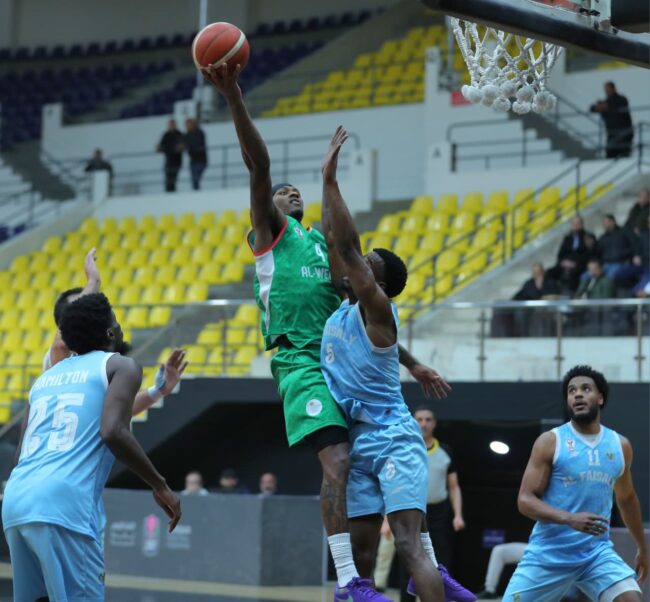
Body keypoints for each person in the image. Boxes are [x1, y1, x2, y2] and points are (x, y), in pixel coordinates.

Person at [201, 63, 450, 601]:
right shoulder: (271, 236)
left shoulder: (321, 246)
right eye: (281, 192)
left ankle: (424, 566)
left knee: (387, 464)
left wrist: (411, 363)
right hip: (300, 361)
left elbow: (364, 309)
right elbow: (259, 166)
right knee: (336, 463)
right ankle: (347, 579)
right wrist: (234, 96)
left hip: (342, 365)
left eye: (295, 191)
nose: (288, 192)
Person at [320, 126, 474, 602]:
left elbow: (346, 248)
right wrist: (414, 364)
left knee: (409, 547)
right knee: (362, 556)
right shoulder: (346, 310)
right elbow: (335, 244)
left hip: (392, 438)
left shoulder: (379, 309)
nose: (357, 265)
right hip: (358, 440)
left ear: (379, 286)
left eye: (368, 265)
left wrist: (330, 179)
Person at [2, 293, 181, 601]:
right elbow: (112, 430)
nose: (120, 326)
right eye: (116, 321)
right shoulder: (121, 365)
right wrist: (160, 485)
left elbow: (20, 455)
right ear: (110, 332)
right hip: (63, 504)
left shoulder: (44, 380)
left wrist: (156, 391)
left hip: (17, 503)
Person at [503, 365, 647, 600]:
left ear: (600, 398)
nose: (577, 394)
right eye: (572, 391)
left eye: (585, 389)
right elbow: (525, 500)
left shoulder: (620, 445)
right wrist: (569, 518)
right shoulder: (551, 441)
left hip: (595, 554)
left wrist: (642, 547)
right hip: (549, 555)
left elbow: (627, 498)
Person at [45, 248, 188, 415]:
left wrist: (157, 391)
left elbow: (115, 410)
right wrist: (93, 282)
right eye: (80, 308)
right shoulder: (61, 359)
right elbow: (60, 345)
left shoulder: (99, 361)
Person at [413, 408, 465, 569]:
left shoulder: (445, 451)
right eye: (419, 419)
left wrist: (458, 515)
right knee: (410, 556)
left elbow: (454, 487)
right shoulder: (406, 450)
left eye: (428, 420)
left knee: (441, 556)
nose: (424, 424)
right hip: (413, 512)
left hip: (439, 513)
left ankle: (441, 586)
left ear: (434, 423)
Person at [547, 216, 593, 293]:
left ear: (581, 224)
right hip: (565, 264)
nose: (575, 225)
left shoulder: (587, 237)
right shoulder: (567, 238)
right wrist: (563, 262)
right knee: (550, 273)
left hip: (579, 265)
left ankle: (571, 295)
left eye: (577, 223)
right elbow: (560, 254)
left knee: (572, 275)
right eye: (573, 223)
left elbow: (588, 255)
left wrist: (574, 264)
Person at [590, 82, 633, 159]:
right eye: (606, 90)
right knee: (610, 157)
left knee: (624, 158)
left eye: (608, 89)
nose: (607, 91)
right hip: (612, 135)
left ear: (614, 89)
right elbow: (592, 108)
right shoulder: (605, 103)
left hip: (624, 134)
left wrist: (603, 105)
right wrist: (601, 106)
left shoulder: (621, 99)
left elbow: (617, 103)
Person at [598, 214, 635, 280]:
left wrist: (623, 254)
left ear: (613, 222)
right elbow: (599, 251)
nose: (604, 225)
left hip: (621, 262)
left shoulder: (624, 232)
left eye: (606, 222)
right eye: (603, 223)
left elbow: (634, 245)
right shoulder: (603, 238)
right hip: (606, 264)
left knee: (609, 276)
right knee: (587, 276)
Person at [156, 119, 184, 192]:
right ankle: (168, 193)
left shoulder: (179, 134)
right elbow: (161, 147)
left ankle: (172, 193)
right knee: (168, 179)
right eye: (170, 124)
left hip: (177, 160)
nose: (172, 126)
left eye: (173, 124)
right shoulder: (166, 135)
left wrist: (180, 148)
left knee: (173, 179)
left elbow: (183, 146)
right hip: (168, 160)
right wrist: (159, 148)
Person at [184, 118, 208, 191]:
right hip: (193, 160)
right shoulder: (187, 134)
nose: (187, 126)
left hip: (201, 160)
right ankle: (196, 192)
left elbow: (198, 144)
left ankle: (197, 193)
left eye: (189, 124)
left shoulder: (199, 132)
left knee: (196, 179)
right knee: (194, 180)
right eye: (187, 125)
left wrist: (187, 146)